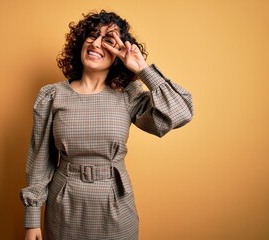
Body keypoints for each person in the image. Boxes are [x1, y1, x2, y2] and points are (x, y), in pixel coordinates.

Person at [20, 10, 194, 240]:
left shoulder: (129, 95)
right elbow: (40, 159)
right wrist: (32, 219)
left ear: (119, 53)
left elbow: (180, 113)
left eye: (108, 41)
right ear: (81, 42)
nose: (96, 43)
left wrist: (143, 70)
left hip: (116, 205)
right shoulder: (52, 95)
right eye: (92, 35)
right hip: (64, 207)